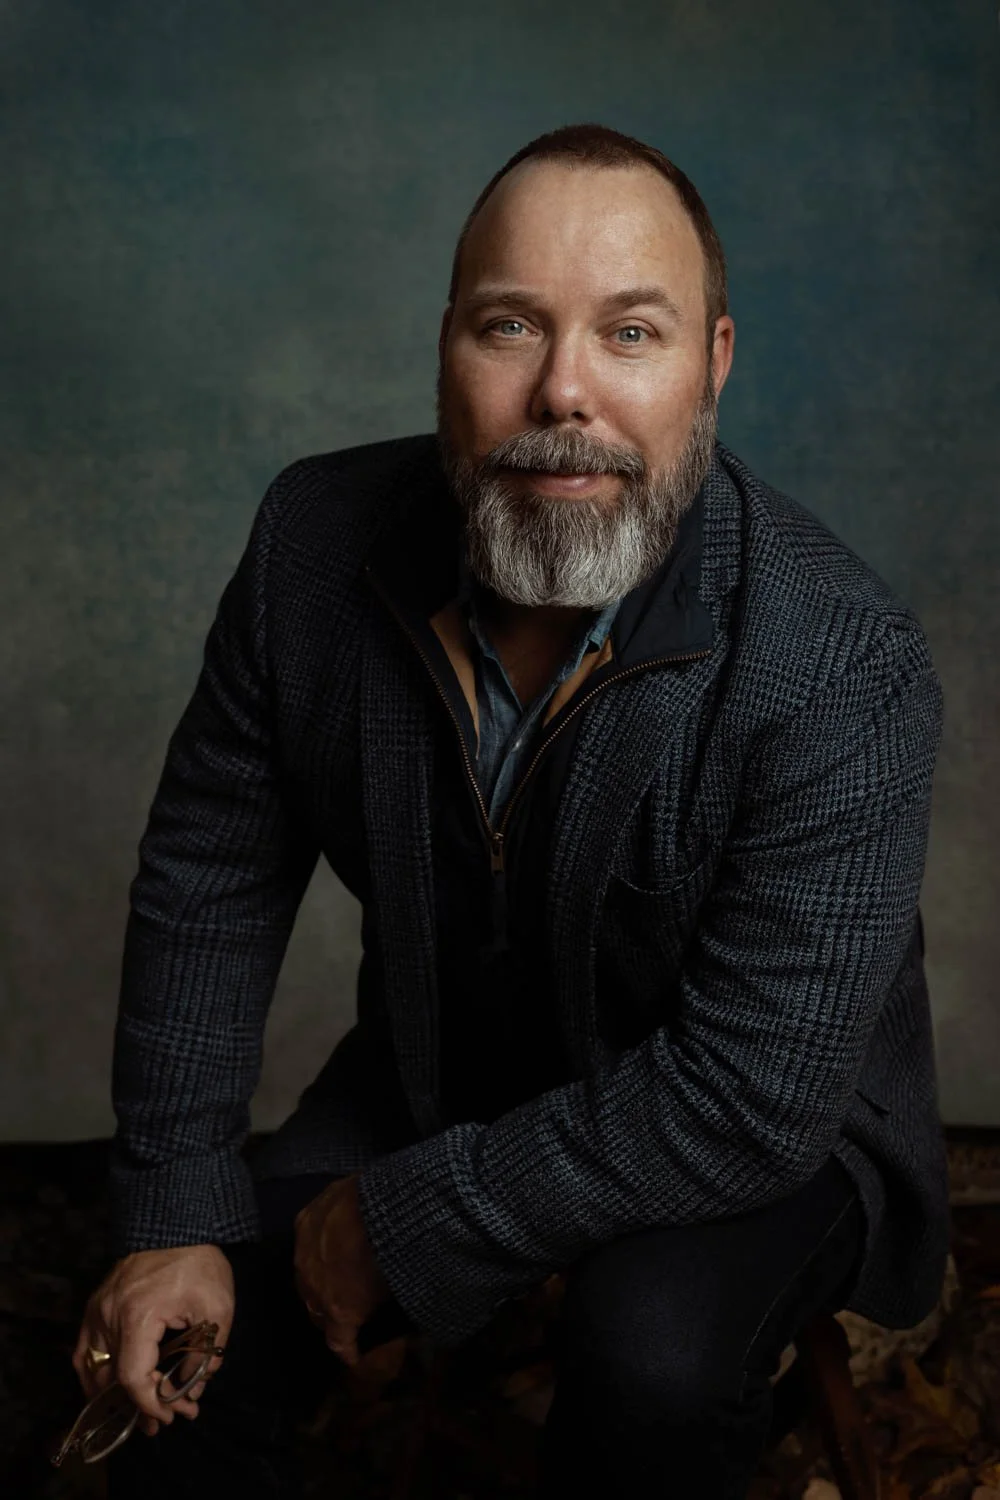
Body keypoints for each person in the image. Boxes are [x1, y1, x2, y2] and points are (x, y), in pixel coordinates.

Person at [72, 123, 949, 1498]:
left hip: (769, 1126)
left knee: (651, 1355)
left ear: (713, 364)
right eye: (510, 326)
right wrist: (175, 1212)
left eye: (632, 333)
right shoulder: (314, 545)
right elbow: (208, 879)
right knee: (195, 1351)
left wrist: (402, 1225)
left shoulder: (841, 658)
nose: (565, 391)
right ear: (445, 350)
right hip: (445, 1067)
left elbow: (751, 1093)